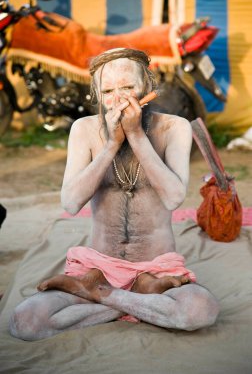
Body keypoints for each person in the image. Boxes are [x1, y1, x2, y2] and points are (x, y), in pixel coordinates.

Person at [9, 48, 219, 341]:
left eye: (128, 88)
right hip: (97, 267)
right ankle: (129, 297)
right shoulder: (84, 129)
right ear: (96, 94)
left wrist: (135, 135)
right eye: (108, 90)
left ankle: (109, 294)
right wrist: (111, 144)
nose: (118, 99)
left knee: (202, 310)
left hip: (156, 269)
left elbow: (173, 198)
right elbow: (70, 203)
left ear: (147, 86)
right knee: (25, 322)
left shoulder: (175, 128)